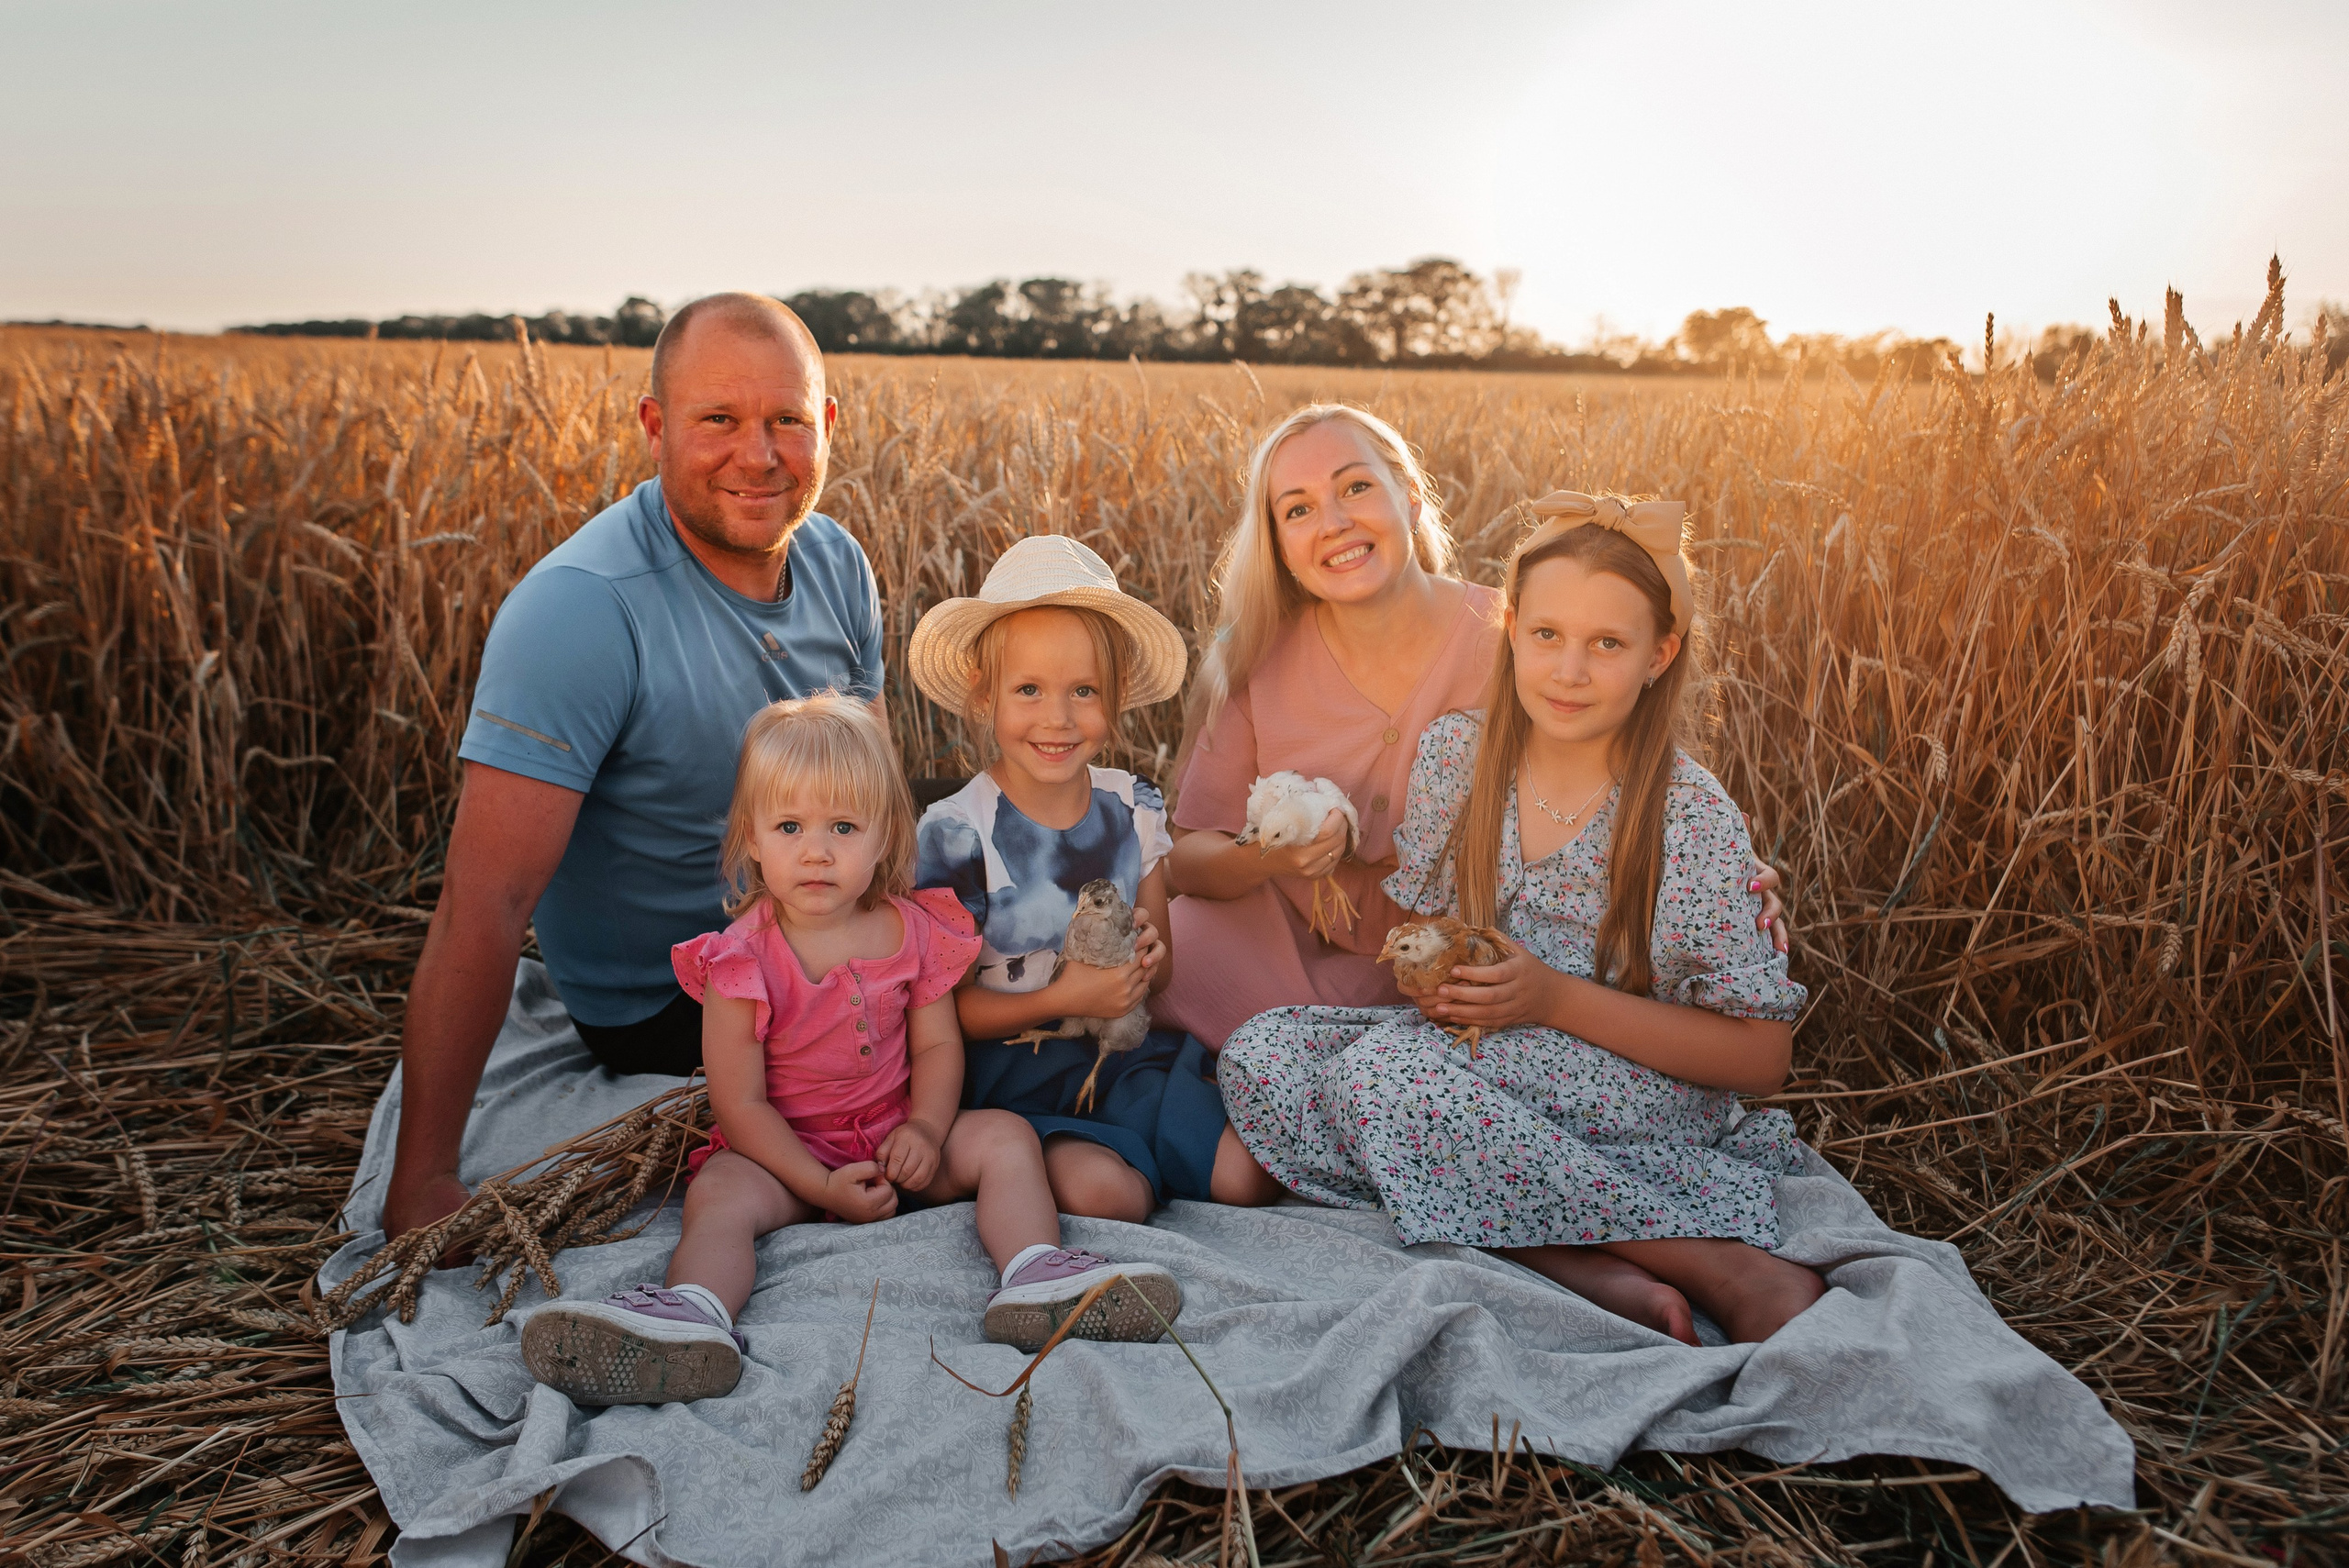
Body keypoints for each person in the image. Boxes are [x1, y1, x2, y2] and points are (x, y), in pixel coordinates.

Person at [1217, 492, 1829, 1345]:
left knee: (1378, 1083)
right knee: (1262, 1055)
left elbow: (1761, 1060)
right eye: (1546, 634)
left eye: (1607, 643)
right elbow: (1435, 935)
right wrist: (1438, 984)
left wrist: (1550, 998)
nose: (1569, 670)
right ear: (1509, 628)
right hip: (1486, 1061)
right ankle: (1572, 1257)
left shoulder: (1688, 817)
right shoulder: (1458, 757)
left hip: (1630, 1086)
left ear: (1660, 654)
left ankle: (1709, 1261)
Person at [383, 294, 889, 1242]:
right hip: (672, 995)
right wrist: (424, 1180)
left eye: (786, 420)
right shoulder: (581, 610)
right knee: (983, 1030)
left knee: (1031, 843)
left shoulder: (836, 561)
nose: (758, 455)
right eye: (718, 420)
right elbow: (484, 901)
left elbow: (880, 800)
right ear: (655, 427)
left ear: (827, 423)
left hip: (816, 904)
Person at [519, 695, 1180, 1407]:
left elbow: (938, 1044)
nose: (817, 850)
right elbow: (740, 1104)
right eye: (789, 826)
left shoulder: (913, 930)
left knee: (1006, 1138)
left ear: (884, 836)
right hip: (787, 1156)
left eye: (843, 826)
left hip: (898, 1142)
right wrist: (818, 1182)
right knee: (718, 1193)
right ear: (751, 838)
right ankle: (693, 1313)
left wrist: (925, 1128)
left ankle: (1035, 1271)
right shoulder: (739, 960)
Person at [1160, 404, 1787, 1051]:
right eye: (1298, 509)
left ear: (1410, 497)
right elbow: (1187, 861)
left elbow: (1625, 780)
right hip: (1277, 947)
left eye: (1356, 487)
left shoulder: (1520, 640)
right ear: (1279, 544)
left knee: (1332, 1063)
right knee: (1182, 940)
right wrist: (1269, 855)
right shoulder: (1254, 662)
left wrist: (1725, 879)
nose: (1334, 522)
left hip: (1461, 965)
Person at [908, 537, 1285, 1223]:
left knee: (1248, 1178)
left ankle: (1144, 1141)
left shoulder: (1131, 806)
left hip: (1123, 1052)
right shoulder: (955, 832)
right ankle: (1060, 1156)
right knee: (1113, 1198)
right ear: (984, 693)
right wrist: (1066, 993)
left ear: (1115, 696)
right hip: (1013, 1072)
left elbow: (1158, 972)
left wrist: (1146, 959)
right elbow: (948, 1012)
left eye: (1083, 690)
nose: (1058, 717)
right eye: (1028, 689)